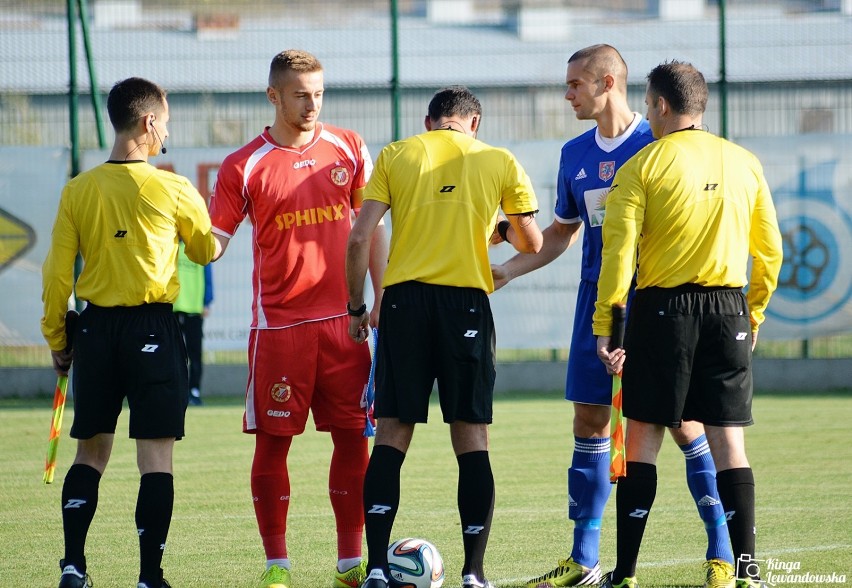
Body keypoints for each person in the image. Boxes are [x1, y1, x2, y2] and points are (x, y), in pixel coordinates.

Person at [491, 45, 735, 588]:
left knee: (682, 421)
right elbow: (560, 233)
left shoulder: (659, 142)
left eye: (575, 84)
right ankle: (584, 561)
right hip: (593, 302)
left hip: (654, 303)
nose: (567, 93)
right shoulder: (574, 153)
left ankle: (723, 553)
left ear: (608, 83)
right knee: (589, 421)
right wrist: (508, 270)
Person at [592, 60, 783, 588]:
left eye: (649, 107)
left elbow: (619, 259)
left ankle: (626, 573)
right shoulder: (745, 162)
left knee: (643, 439)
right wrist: (754, 314)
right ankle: (748, 572)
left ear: (659, 105)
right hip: (728, 310)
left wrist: (607, 327)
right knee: (729, 443)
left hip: (662, 313)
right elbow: (770, 253)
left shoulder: (642, 167)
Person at [346, 85, 544, 588]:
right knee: (471, 437)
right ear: (472, 123)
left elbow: (359, 236)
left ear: (430, 121)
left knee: (391, 433)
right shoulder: (498, 159)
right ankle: (473, 573)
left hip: (405, 304)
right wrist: (495, 231)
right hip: (465, 305)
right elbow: (532, 241)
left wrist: (357, 307)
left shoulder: (397, 153)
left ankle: (375, 570)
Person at [208, 49, 387, 588]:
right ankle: (277, 566)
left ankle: (350, 562)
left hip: (346, 322)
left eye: (318, 93)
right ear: (274, 96)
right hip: (279, 329)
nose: (312, 104)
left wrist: (379, 298)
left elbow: (371, 227)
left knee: (355, 439)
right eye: (300, 94)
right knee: (273, 443)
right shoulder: (244, 164)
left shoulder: (349, 147)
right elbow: (213, 242)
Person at [41, 77, 216, 588]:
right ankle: (148, 577)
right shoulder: (173, 186)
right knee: (155, 458)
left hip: (95, 330)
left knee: (90, 453)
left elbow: (57, 276)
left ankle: (73, 565)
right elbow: (206, 250)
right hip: (154, 329)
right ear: (149, 123)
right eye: (166, 122)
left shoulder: (78, 188)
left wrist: (59, 339)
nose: (167, 133)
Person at [174, 241, 214, 406]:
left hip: (194, 308)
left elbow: (208, 276)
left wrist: (207, 301)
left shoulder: (199, 249)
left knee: (195, 353)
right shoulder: (172, 246)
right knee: (174, 354)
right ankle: (176, 391)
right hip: (174, 307)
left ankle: (194, 391)